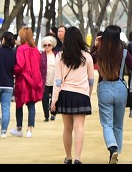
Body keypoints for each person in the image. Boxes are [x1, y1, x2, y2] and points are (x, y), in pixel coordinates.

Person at [94, 25, 132, 164]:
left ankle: (112, 148)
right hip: (120, 88)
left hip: (104, 88)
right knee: (118, 125)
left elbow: (89, 60)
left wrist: (96, 46)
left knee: (107, 124)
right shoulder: (124, 52)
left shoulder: (99, 53)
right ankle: (116, 154)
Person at [51, 26, 94, 165]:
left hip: (65, 94)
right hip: (81, 95)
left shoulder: (60, 56)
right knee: (79, 127)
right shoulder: (87, 56)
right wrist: (89, 93)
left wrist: (54, 99)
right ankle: (77, 158)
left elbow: (57, 81)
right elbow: (91, 79)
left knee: (67, 128)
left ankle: (68, 157)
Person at [10, 27, 45, 138]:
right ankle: (29, 129)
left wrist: (13, 70)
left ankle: (19, 128)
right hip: (34, 79)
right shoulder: (35, 50)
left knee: (19, 103)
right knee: (31, 104)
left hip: (23, 79)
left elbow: (20, 65)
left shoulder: (21, 49)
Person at [41, 35, 59, 122]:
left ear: (52, 45)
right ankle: (46, 116)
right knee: (44, 99)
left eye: (49, 45)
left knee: (55, 98)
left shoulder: (57, 55)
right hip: (44, 81)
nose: (47, 47)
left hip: (55, 80)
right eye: (45, 45)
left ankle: (53, 113)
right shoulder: (41, 55)